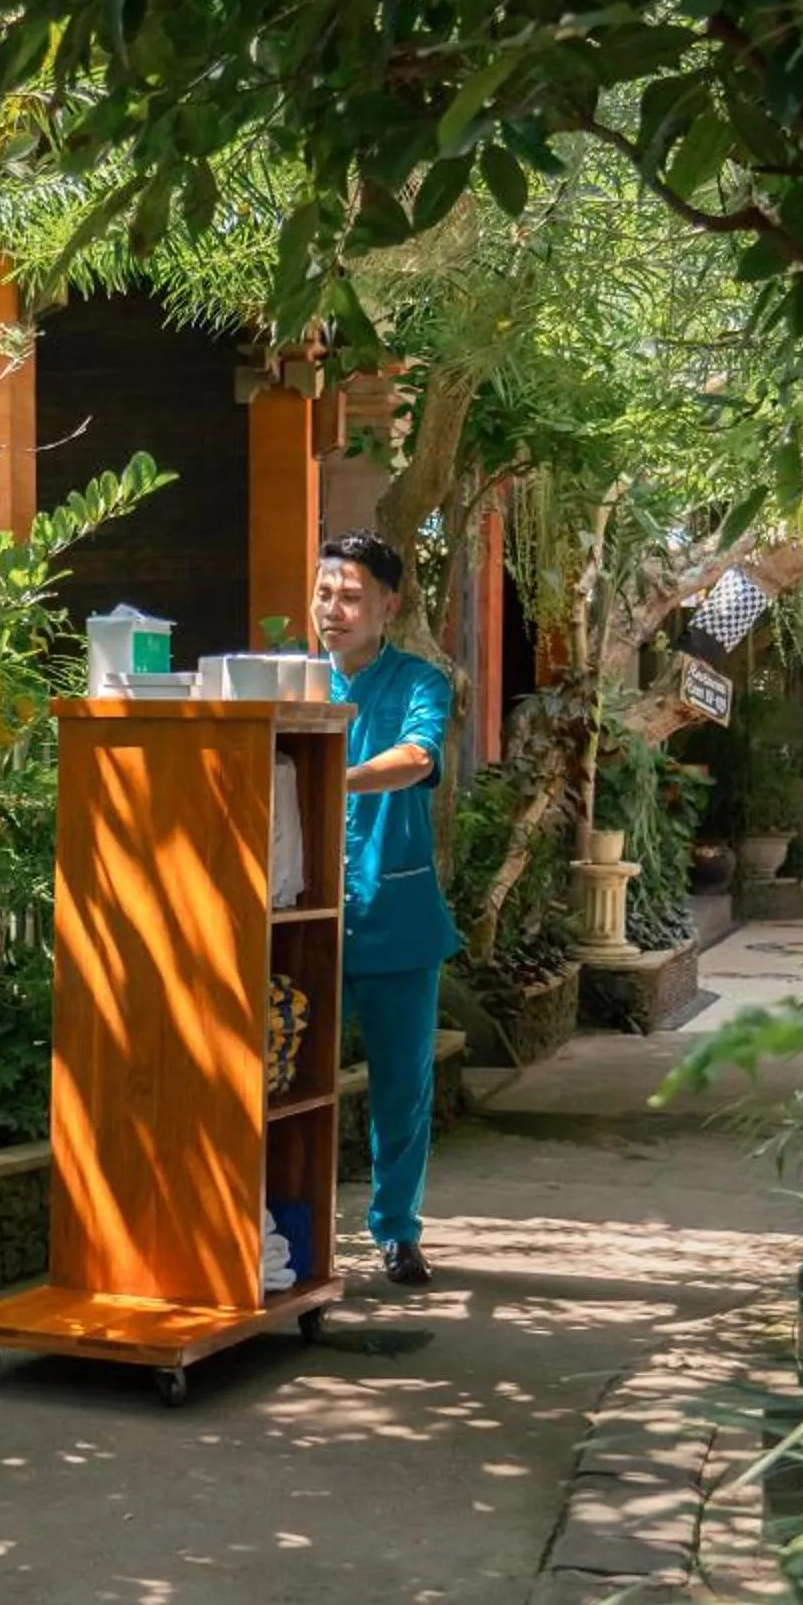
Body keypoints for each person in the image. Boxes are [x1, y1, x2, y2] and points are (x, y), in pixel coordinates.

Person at [311, 531, 459, 1287]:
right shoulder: (293, 681)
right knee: (287, 1080)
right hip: (301, 922)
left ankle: (397, 1231)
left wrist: (332, 776)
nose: (332, 610)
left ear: (389, 606)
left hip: (395, 918)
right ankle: (286, 1227)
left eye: (351, 597)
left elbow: (418, 756)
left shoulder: (420, 681)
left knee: (402, 1090)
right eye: (324, 593)